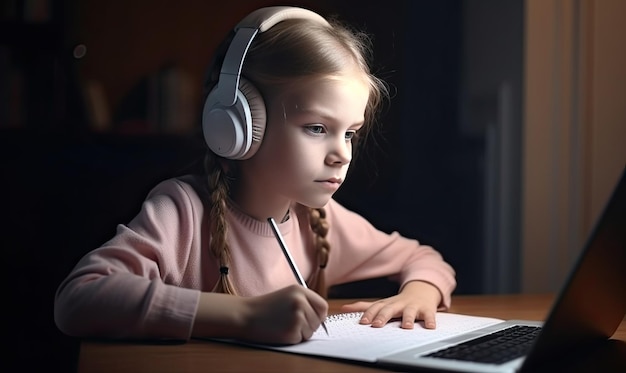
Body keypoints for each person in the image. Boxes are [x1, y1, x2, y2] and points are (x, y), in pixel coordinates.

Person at [54, 6, 456, 345]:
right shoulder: (184, 212)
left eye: (350, 133)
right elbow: (78, 298)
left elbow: (423, 258)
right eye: (317, 128)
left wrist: (419, 292)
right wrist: (243, 314)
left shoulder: (319, 221)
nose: (341, 154)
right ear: (239, 125)